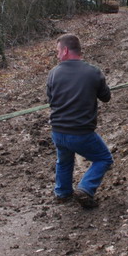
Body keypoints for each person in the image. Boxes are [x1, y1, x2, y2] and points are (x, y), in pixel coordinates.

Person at [46, 33, 113, 209]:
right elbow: (106, 97)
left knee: (64, 160)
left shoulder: (53, 73)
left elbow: (51, 100)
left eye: (58, 51)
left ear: (66, 50)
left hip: (58, 132)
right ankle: (85, 188)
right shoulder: (93, 72)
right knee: (104, 159)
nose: (57, 55)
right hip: (80, 133)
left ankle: (62, 193)